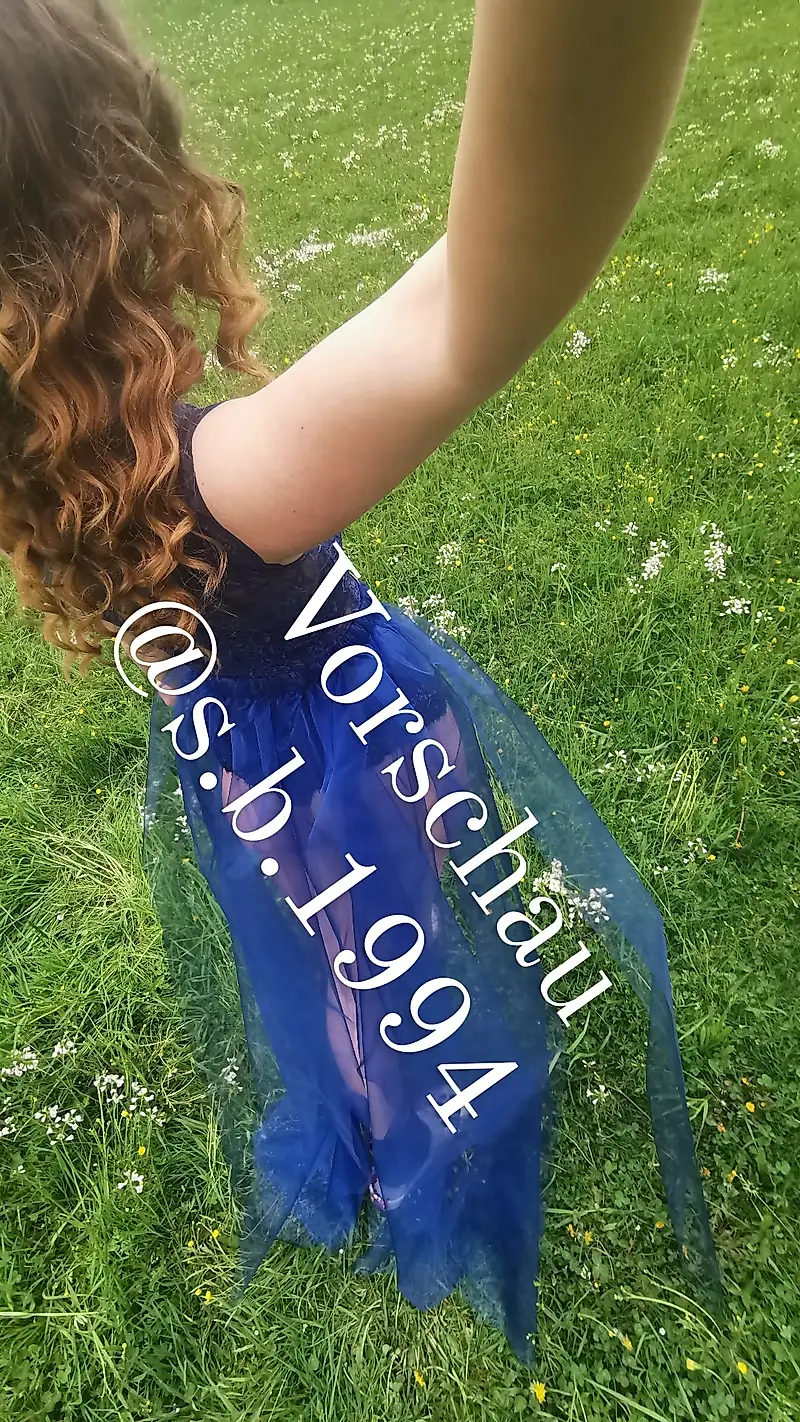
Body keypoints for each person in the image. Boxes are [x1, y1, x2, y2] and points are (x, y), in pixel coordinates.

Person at [0, 0, 720, 1361]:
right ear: (114, 209)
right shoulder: (227, 476)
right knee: (394, 961)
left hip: (235, 760)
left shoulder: (58, 489)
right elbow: (464, 312)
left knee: (335, 951)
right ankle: (416, 1152)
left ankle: (374, 1102)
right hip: (348, 756)